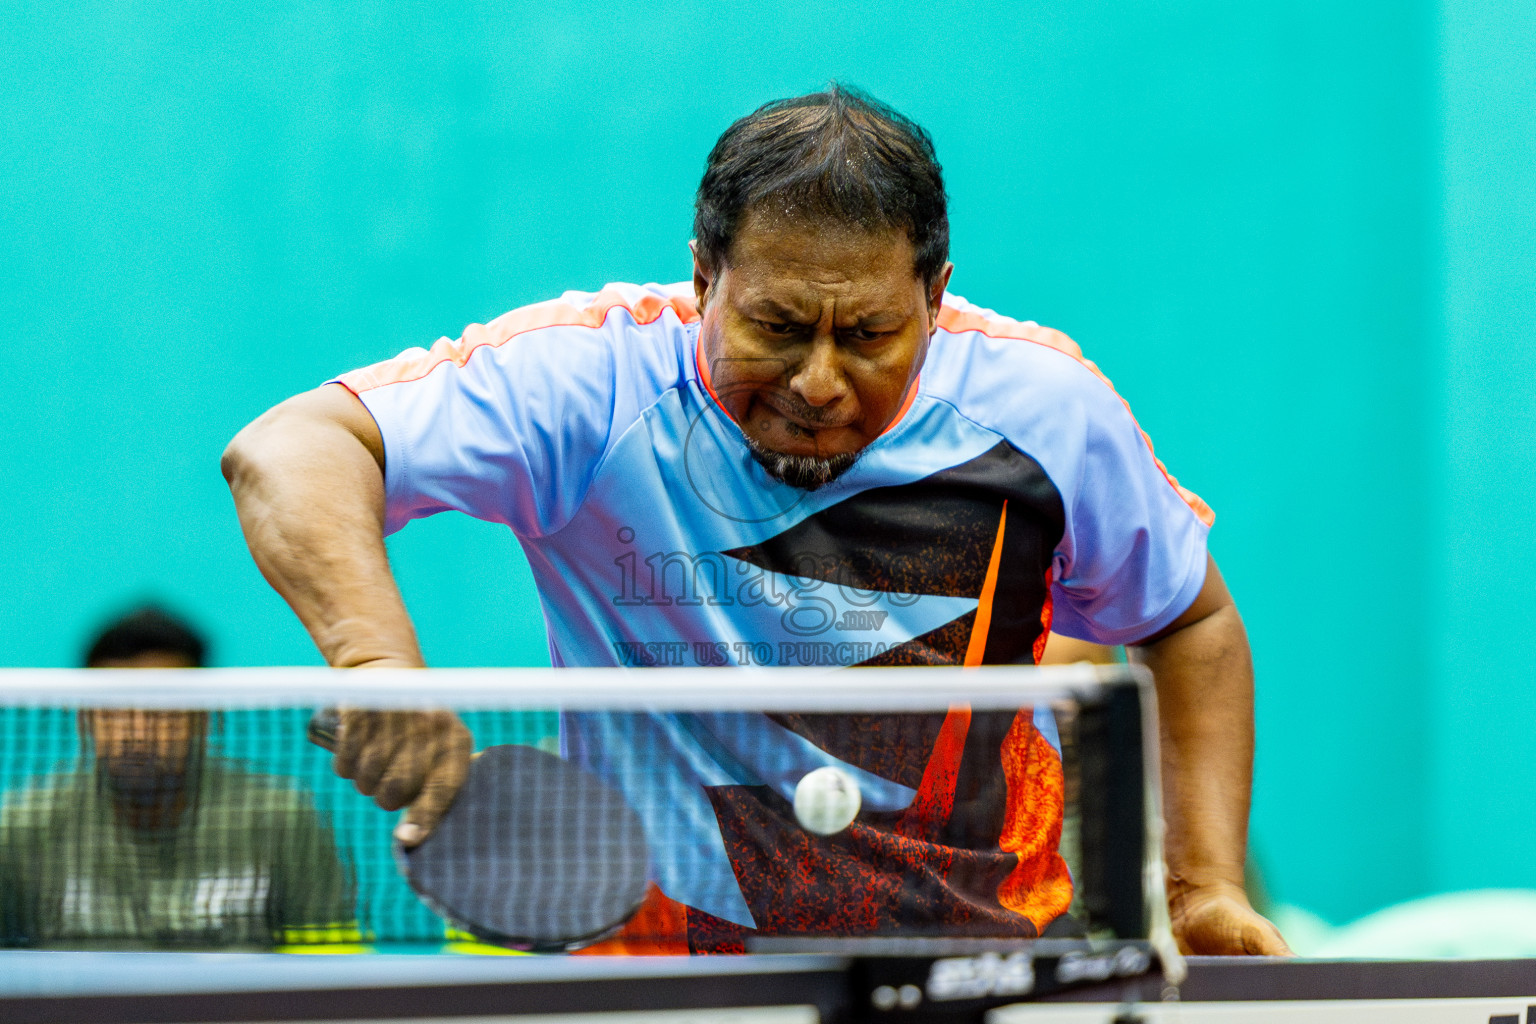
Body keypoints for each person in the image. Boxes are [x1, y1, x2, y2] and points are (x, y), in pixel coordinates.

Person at [223, 86, 1288, 955]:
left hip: (987, 961)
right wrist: (374, 668)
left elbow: (1187, 621)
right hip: (661, 981)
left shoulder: (1042, 410)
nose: (820, 380)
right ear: (704, 278)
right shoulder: (590, 384)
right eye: (778, 325)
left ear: (935, 296)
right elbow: (290, 447)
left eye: (868, 332)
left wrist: (1204, 887)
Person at [0, 607, 356, 949]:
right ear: (83, 719)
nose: (137, 734)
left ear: (203, 716)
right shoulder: (20, 826)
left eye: (162, 708)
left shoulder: (281, 816)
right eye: (112, 709)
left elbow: (329, 963)